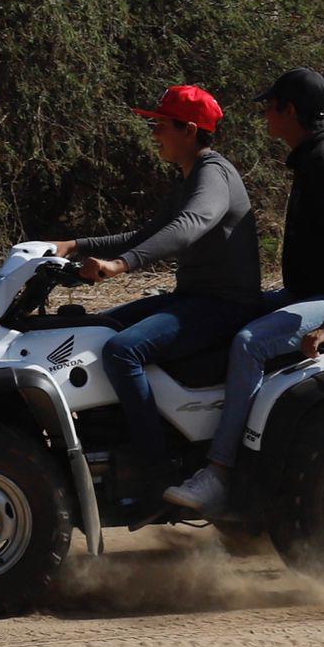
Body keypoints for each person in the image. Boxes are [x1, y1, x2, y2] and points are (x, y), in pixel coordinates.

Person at [164, 68, 324, 513]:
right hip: (313, 294)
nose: (265, 114)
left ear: (290, 110)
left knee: (249, 343)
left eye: (270, 106)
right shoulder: (310, 157)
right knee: (233, 315)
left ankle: (220, 473)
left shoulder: (323, 164)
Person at [52, 85, 262, 500]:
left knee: (121, 350)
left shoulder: (212, 173)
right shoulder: (188, 177)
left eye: (160, 125)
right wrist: (74, 246)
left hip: (224, 306)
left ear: (188, 129)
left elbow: (187, 227)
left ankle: (155, 465)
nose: (154, 134)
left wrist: (120, 265)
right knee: (98, 327)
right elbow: (145, 234)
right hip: (195, 298)